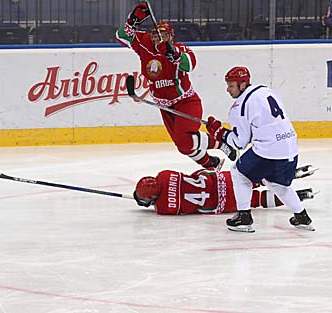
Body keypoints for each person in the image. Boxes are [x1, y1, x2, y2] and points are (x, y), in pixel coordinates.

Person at [116, 3, 236, 168]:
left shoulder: (179, 49)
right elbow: (121, 36)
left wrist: (174, 54)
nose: (158, 38)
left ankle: (217, 150)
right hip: (164, 107)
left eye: (163, 35)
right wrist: (133, 21)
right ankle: (213, 162)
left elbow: (190, 64)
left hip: (185, 102)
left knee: (186, 141)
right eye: (156, 35)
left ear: (171, 37)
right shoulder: (144, 43)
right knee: (184, 147)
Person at [205, 66, 314, 233]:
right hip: (291, 146)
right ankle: (302, 217)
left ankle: (244, 217)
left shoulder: (238, 107)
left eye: (231, 85)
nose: (227, 90)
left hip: (269, 151)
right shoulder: (266, 90)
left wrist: (220, 133)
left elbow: (240, 143)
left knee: (238, 172)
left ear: (243, 84)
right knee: (277, 184)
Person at [133, 166, 316, 215]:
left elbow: (159, 204)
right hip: (219, 180)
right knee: (260, 178)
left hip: (221, 202)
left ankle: (298, 197)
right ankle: (294, 173)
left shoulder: (164, 208)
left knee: (258, 200)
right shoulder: (164, 175)